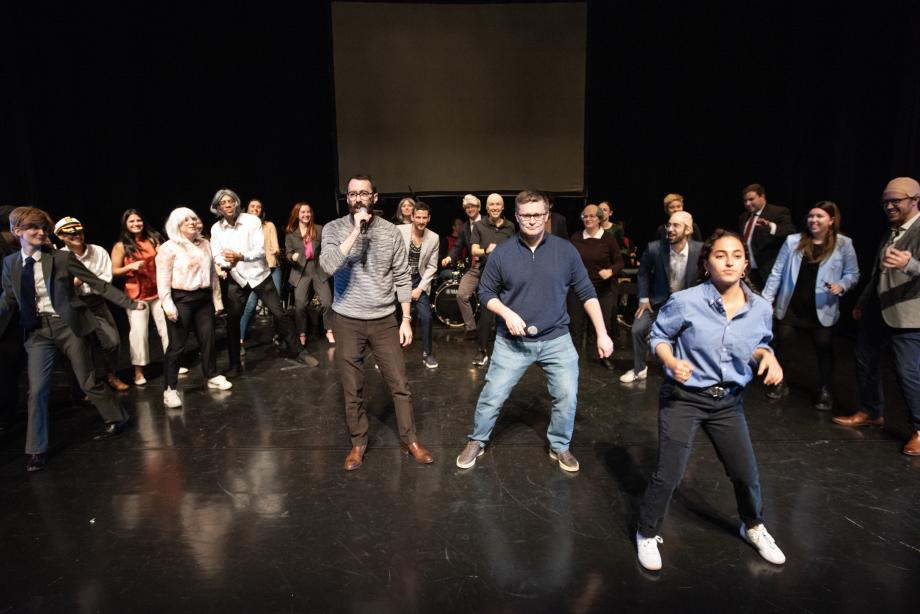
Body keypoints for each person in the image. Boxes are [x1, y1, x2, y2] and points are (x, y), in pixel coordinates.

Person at [635, 229, 786, 571]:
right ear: (707, 263)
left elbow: (760, 343)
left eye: (736, 255)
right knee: (670, 473)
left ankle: (753, 526)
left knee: (745, 473)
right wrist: (672, 361)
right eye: (720, 254)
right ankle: (646, 531)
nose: (729, 260)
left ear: (746, 264)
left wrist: (768, 356)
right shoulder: (686, 301)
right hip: (684, 398)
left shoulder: (760, 307)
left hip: (728, 403)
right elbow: (658, 337)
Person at [455, 190, 613, 472]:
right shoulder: (502, 253)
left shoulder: (565, 251)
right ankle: (477, 440)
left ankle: (560, 446)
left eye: (537, 214)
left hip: (556, 339)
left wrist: (602, 332)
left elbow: (587, 292)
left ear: (546, 215)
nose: (532, 220)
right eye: (526, 215)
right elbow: (485, 293)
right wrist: (506, 312)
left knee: (567, 394)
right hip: (511, 342)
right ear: (517, 217)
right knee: (493, 394)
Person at [0, 207, 146, 472]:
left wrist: (128, 303)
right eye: (34, 228)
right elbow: (8, 301)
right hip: (37, 332)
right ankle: (36, 449)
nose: (41, 232)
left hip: (68, 326)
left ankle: (116, 417)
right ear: (17, 231)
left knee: (87, 380)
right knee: (37, 390)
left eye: (43, 228)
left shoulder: (61, 258)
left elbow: (98, 284)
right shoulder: (11, 264)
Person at [319, 174, 434, 470]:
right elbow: (328, 266)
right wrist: (356, 232)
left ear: (374, 197)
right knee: (352, 386)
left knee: (399, 383)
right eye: (353, 194)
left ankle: (410, 440)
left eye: (364, 193)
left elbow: (401, 276)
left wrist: (406, 318)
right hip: (347, 319)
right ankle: (358, 443)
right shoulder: (334, 229)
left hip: (384, 319)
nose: (358, 198)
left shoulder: (392, 232)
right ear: (348, 199)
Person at [833, 177, 920, 456]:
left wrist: (910, 264)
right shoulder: (891, 231)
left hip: (908, 314)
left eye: (897, 201)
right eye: (886, 201)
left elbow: (911, 268)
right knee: (864, 359)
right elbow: (878, 273)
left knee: (907, 372)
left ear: (915, 200)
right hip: (879, 309)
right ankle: (871, 411)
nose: (890, 206)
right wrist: (862, 302)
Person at [208, 188, 318, 376]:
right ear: (217, 207)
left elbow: (260, 250)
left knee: (279, 314)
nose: (227, 205)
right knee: (232, 321)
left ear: (236, 203)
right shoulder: (216, 229)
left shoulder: (251, 221)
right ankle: (235, 364)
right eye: (222, 203)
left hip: (260, 275)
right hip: (238, 278)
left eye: (230, 201)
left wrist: (240, 256)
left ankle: (299, 351)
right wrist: (229, 261)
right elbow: (216, 255)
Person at [762, 201, 859, 409]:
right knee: (784, 342)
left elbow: (853, 273)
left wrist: (842, 285)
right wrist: (765, 301)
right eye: (811, 216)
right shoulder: (792, 241)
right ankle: (780, 382)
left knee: (823, 347)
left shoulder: (843, 244)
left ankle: (826, 389)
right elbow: (777, 272)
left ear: (831, 220)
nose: (813, 220)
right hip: (791, 304)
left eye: (819, 216)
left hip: (821, 306)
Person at [156, 207, 231, 408]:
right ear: (176, 225)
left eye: (193, 218)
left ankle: (211, 374)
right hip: (181, 299)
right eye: (186, 220)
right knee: (177, 346)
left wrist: (217, 301)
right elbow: (162, 280)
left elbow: (213, 275)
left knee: (208, 339)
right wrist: (167, 305)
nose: (192, 222)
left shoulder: (204, 243)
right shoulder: (168, 248)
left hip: (203, 297)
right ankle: (170, 389)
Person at [621, 211, 702, 383]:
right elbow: (642, 274)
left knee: (694, 334)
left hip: (688, 304)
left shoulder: (699, 251)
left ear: (688, 230)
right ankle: (640, 368)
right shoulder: (655, 248)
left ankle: (688, 369)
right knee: (637, 329)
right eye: (669, 225)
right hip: (659, 301)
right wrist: (643, 298)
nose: (670, 229)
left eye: (676, 226)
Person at [55, 216, 129, 392]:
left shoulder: (98, 251)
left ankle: (110, 374)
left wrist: (82, 281)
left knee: (112, 342)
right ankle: (85, 387)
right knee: (80, 348)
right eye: (70, 233)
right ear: (60, 237)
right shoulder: (59, 257)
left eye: (78, 231)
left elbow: (106, 279)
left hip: (96, 302)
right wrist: (76, 283)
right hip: (73, 304)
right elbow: (59, 285)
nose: (76, 235)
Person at [111, 208, 170, 386]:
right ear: (125, 225)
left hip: (157, 291)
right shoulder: (121, 245)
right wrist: (130, 267)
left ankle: (172, 363)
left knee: (167, 330)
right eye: (132, 222)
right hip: (136, 295)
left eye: (139, 221)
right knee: (139, 334)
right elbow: (114, 271)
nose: (136, 224)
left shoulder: (153, 239)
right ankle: (138, 372)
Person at [569, 203, 624, 368]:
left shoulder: (607, 238)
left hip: (602, 289)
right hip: (578, 288)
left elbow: (620, 261)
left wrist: (611, 271)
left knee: (600, 327)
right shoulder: (576, 237)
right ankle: (572, 360)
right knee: (575, 326)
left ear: (599, 218)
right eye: (585, 216)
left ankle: (601, 357)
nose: (588, 219)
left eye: (592, 216)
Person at [471, 193, 516, 366]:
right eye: (492, 204)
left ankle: (508, 351)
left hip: (507, 277)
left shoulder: (510, 226)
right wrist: (487, 251)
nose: (495, 207)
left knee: (507, 314)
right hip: (487, 277)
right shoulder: (479, 226)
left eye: (498, 204)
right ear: (487, 207)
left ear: (503, 207)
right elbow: (474, 250)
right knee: (486, 316)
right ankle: (481, 351)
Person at [285, 201, 334, 347]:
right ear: (297, 215)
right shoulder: (291, 234)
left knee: (327, 302)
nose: (306, 214)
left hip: (318, 270)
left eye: (308, 212)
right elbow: (287, 252)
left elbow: (327, 247)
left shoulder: (319, 229)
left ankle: (329, 330)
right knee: (300, 305)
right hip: (301, 271)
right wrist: (291, 257)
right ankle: (302, 332)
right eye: (303, 212)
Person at [398, 201, 440, 368]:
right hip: (399, 279)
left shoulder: (434, 237)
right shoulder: (399, 231)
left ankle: (427, 353)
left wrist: (420, 288)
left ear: (428, 218)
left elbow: (432, 267)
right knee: (393, 317)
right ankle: (391, 355)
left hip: (418, 279)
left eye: (424, 218)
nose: (421, 221)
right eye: (418, 217)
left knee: (427, 316)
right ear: (412, 217)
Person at [239, 199, 283, 350]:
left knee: (276, 306)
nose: (256, 209)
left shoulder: (268, 226)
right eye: (253, 206)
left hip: (271, 269)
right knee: (250, 306)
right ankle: (240, 340)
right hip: (253, 273)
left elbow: (275, 246)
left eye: (258, 207)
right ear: (246, 210)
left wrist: (275, 251)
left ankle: (277, 335)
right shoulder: (240, 229)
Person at [739, 183, 795, 288]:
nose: (747, 203)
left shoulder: (778, 212)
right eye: (745, 201)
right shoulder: (743, 217)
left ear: (762, 196)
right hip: (748, 272)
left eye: (751, 199)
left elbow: (790, 231)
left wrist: (771, 226)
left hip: (768, 271)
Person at [441, 194, 483, 337]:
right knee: (461, 295)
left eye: (473, 206)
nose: (470, 209)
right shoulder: (465, 227)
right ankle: (471, 328)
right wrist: (449, 257)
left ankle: (491, 328)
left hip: (488, 267)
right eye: (467, 207)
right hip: (473, 267)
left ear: (478, 207)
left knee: (488, 298)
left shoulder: (487, 222)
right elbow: (458, 246)